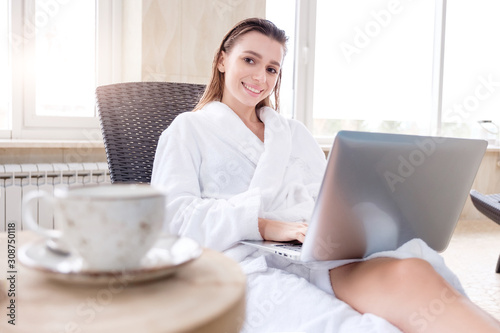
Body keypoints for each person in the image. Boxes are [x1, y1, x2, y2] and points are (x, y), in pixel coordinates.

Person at [151, 17, 500, 333]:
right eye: (250, 59)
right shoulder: (188, 130)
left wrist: (364, 217)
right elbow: (170, 220)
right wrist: (262, 226)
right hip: (245, 263)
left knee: (415, 271)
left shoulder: (293, 132)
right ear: (222, 60)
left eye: (272, 68)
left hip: (314, 251)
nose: (261, 77)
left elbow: (326, 198)